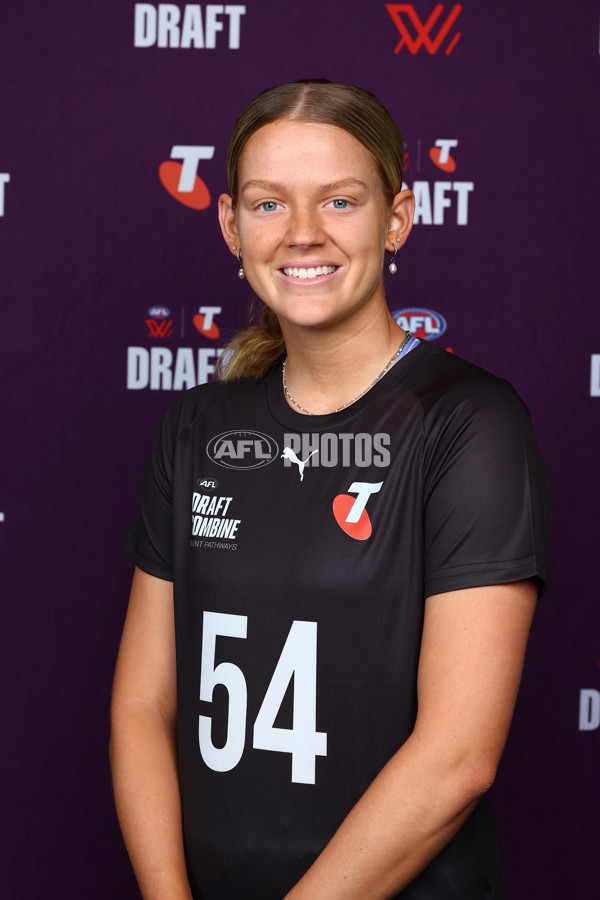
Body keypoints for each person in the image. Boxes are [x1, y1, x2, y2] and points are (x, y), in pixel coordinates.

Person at [110, 80, 550, 900]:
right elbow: (142, 699)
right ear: (230, 226)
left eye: (339, 201)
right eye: (269, 205)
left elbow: (458, 758)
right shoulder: (199, 424)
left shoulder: (467, 424)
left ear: (398, 219)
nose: (303, 234)